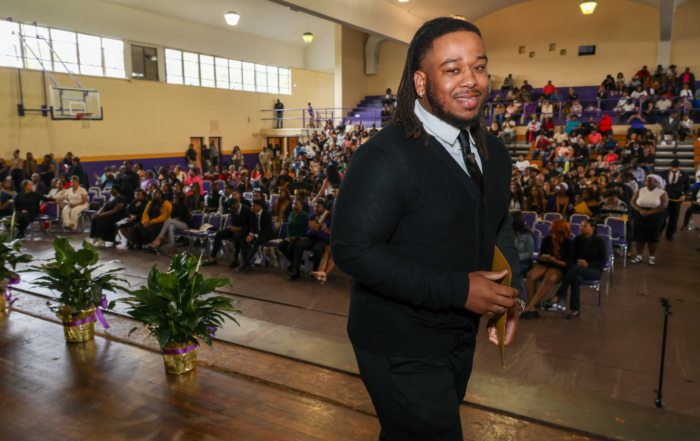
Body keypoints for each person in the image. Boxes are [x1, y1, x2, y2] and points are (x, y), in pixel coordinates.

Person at [330, 18, 521, 440]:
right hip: (398, 342)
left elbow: (498, 224)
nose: (472, 81)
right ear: (420, 81)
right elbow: (352, 250)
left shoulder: (494, 152)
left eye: (479, 66)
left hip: (456, 335)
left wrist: (511, 293)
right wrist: (459, 290)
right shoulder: (385, 157)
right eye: (453, 69)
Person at [549, 220, 607, 319]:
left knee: (574, 269)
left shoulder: (600, 242)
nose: (581, 228)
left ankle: (560, 294)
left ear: (592, 228)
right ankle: (575, 310)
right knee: (575, 279)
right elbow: (573, 256)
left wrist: (588, 264)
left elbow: (603, 261)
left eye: (584, 226)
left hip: (595, 271)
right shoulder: (577, 239)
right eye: (580, 226)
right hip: (579, 269)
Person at [521, 219, 574, 318]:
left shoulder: (568, 242)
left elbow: (568, 263)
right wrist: (542, 257)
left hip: (559, 266)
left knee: (549, 278)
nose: (549, 228)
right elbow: (540, 257)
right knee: (530, 275)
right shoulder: (547, 239)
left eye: (551, 226)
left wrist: (554, 261)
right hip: (547, 263)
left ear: (557, 228)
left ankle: (529, 307)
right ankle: (532, 308)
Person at [288, 200, 331, 281]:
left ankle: (314, 271)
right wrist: (314, 230)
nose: (315, 209)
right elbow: (307, 233)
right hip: (313, 238)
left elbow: (328, 237)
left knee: (317, 248)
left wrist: (317, 230)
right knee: (299, 244)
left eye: (318, 207)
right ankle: (296, 271)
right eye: (314, 206)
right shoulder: (312, 216)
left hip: (323, 241)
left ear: (324, 208)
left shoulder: (330, 217)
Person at [202, 197, 251, 267]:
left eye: (233, 208)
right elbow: (234, 222)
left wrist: (239, 228)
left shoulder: (247, 210)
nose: (232, 209)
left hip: (244, 231)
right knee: (219, 234)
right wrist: (231, 227)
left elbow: (251, 226)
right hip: (235, 229)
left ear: (237, 204)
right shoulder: (232, 209)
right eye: (230, 208)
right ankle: (213, 258)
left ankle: (236, 259)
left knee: (237, 235)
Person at [630, 175, 668, 265]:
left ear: (656, 182)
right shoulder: (640, 190)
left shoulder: (662, 192)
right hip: (640, 214)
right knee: (639, 236)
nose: (647, 182)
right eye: (646, 181)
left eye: (650, 181)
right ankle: (638, 256)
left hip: (655, 215)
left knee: (653, 237)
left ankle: (652, 257)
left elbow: (664, 205)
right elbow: (632, 202)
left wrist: (649, 212)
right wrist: (641, 210)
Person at [147, 191, 191, 256]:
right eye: (173, 198)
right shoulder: (175, 206)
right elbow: (172, 216)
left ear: (180, 199)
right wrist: (172, 206)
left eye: (176, 198)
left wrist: (179, 219)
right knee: (170, 226)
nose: (174, 199)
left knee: (168, 220)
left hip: (185, 225)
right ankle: (173, 246)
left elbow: (188, 218)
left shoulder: (185, 206)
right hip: (177, 224)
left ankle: (158, 238)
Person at [237, 199, 274, 272]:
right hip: (256, 234)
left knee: (256, 242)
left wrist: (255, 235)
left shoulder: (267, 214)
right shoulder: (252, 214)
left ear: (259, 207)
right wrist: (250, 234)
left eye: (253, 205)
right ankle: (245, 260)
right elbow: (252, 227)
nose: (251, 207)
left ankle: (245, 262)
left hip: (266, 234)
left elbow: (268, 230)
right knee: (242, 240)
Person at [658, 159, 689, 241]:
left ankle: (670, 234)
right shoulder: (663, 173)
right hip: (665, 198)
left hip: (677, 199)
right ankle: (658, 231)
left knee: (674, 218)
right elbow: (658, 185)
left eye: (677, 168)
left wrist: (684, 195)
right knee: (663, 216)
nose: (675, 169)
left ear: (679, 167)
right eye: (673, 168)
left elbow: (688, 187)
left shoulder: (685, 174)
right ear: (670, 167)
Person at [278, 198, 310, 272]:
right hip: (291, 237)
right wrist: (289, 237)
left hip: (300, 238)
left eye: (296, 204)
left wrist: (295, 237)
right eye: (293, 204)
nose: (293, 205)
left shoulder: (305, 216)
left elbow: (305, 231)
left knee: (290, 246)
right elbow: (288, 227)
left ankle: (295, 264)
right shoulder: (291, 214)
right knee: (281, 245)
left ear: (301, 206)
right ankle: (295, 262)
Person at [512, 212, 534, 278]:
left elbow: (529, 253)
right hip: (510, 259)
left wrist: (515, 257)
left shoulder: (527, 235)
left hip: (523, 261)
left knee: (511, 272)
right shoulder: (507, 234)